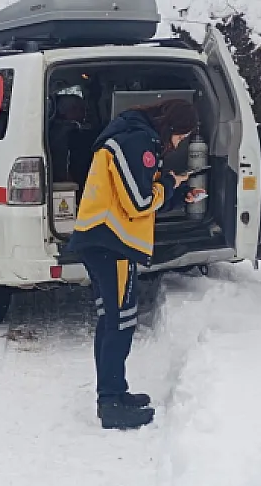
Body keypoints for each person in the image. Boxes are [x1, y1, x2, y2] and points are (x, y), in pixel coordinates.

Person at [66, 99, 200, 430]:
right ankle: (111, 403)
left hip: (105, 241)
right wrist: (169, 182)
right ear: (171, 127)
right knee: (119, 323)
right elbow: (139, 201)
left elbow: (133, 194)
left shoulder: (131, 136)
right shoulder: (138, 142)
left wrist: (174, 192)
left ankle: (115, 392)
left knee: (113, 320)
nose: (180, 144)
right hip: (111, 243)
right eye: (182, 137)